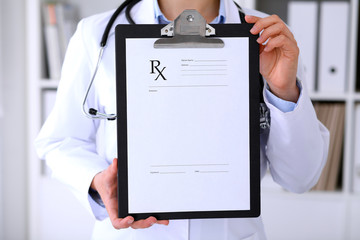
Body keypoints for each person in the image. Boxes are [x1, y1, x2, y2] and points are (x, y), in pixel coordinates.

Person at [35, 0, 330, 239]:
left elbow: (300, 177)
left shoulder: (269, 36)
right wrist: (97, 180)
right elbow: (60, 140)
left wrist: (283, 91)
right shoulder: (95, 35)